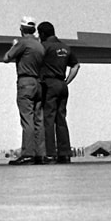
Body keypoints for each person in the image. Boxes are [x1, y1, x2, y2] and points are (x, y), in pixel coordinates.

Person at [3, 17, 46, 164]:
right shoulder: (40, 46)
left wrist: (13, 46)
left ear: (21, 30)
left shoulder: (22, 43)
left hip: (25, 82)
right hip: (38, 83)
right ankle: (41, 154)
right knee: (38, 119)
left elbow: (6, 58)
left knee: (27, 119)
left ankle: (28, 153)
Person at [36, 22, 79, 164]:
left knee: (49, 119)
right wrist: (67, 81)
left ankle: (50, 153)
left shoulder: (44, 47)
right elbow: (76, 65)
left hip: (49, 84)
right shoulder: (65, 48)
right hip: (62, 84)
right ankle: (65, 153)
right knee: (61, 119)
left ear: (42, 34)